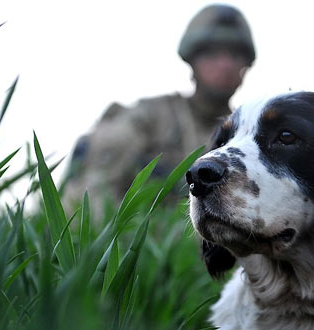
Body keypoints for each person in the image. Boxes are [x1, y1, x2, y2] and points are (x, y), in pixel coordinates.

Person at [63, 4, 255, 210]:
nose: (225, 65)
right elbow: (91, 192)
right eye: (213, 54)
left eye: (235, 56)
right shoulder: (150, 118)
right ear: (193, 60)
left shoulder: (247, 134)